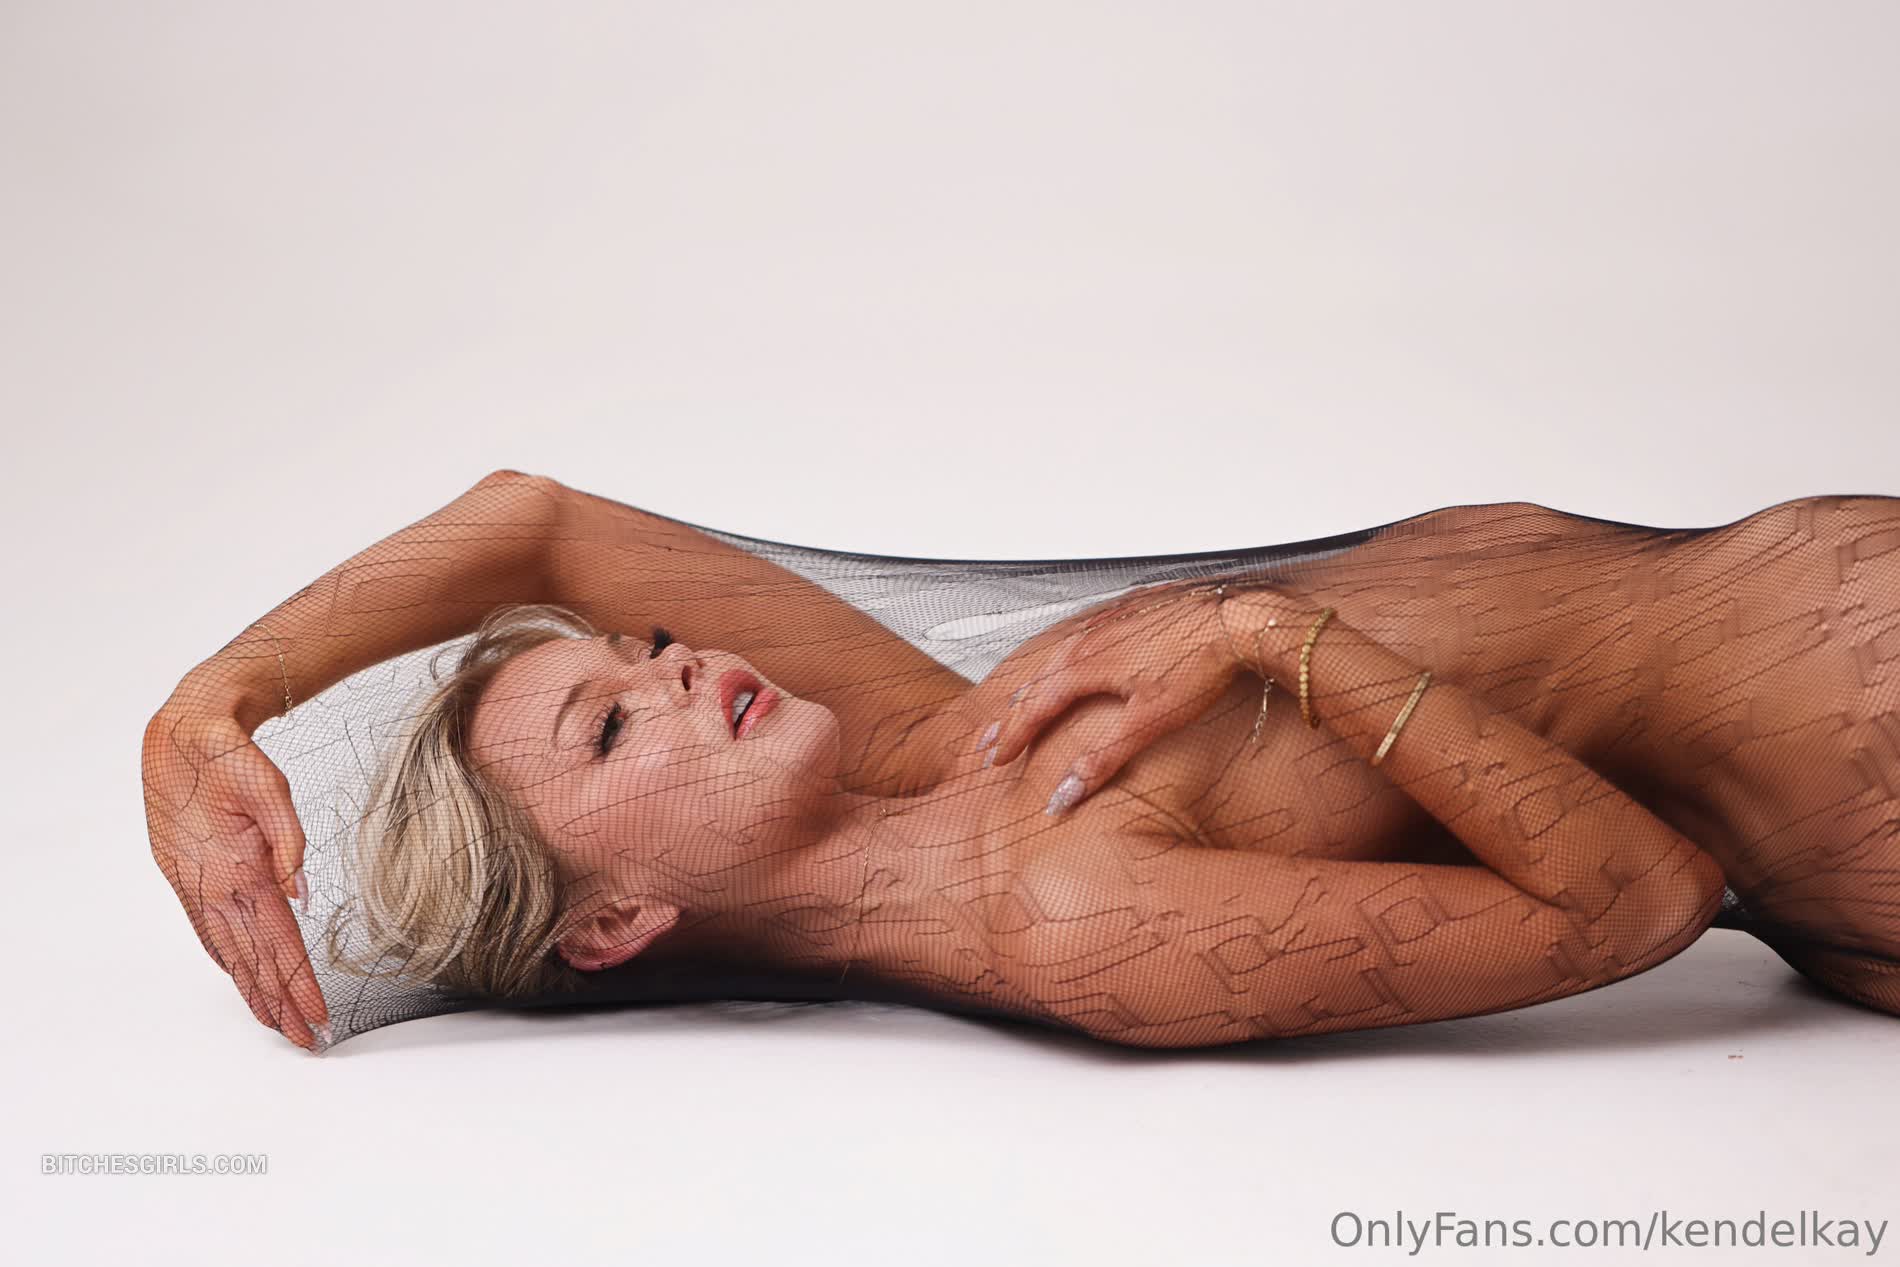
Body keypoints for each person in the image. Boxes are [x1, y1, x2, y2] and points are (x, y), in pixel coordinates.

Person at [141, 471, 1900, 1052]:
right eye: (612, 725)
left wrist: (204, 708)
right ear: (612, 925)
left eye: (647, 650)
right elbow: (1634, 904)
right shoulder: (1069, 917)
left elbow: (533, 519)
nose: (677, 669)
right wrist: (1265, 635)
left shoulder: (944, 739)